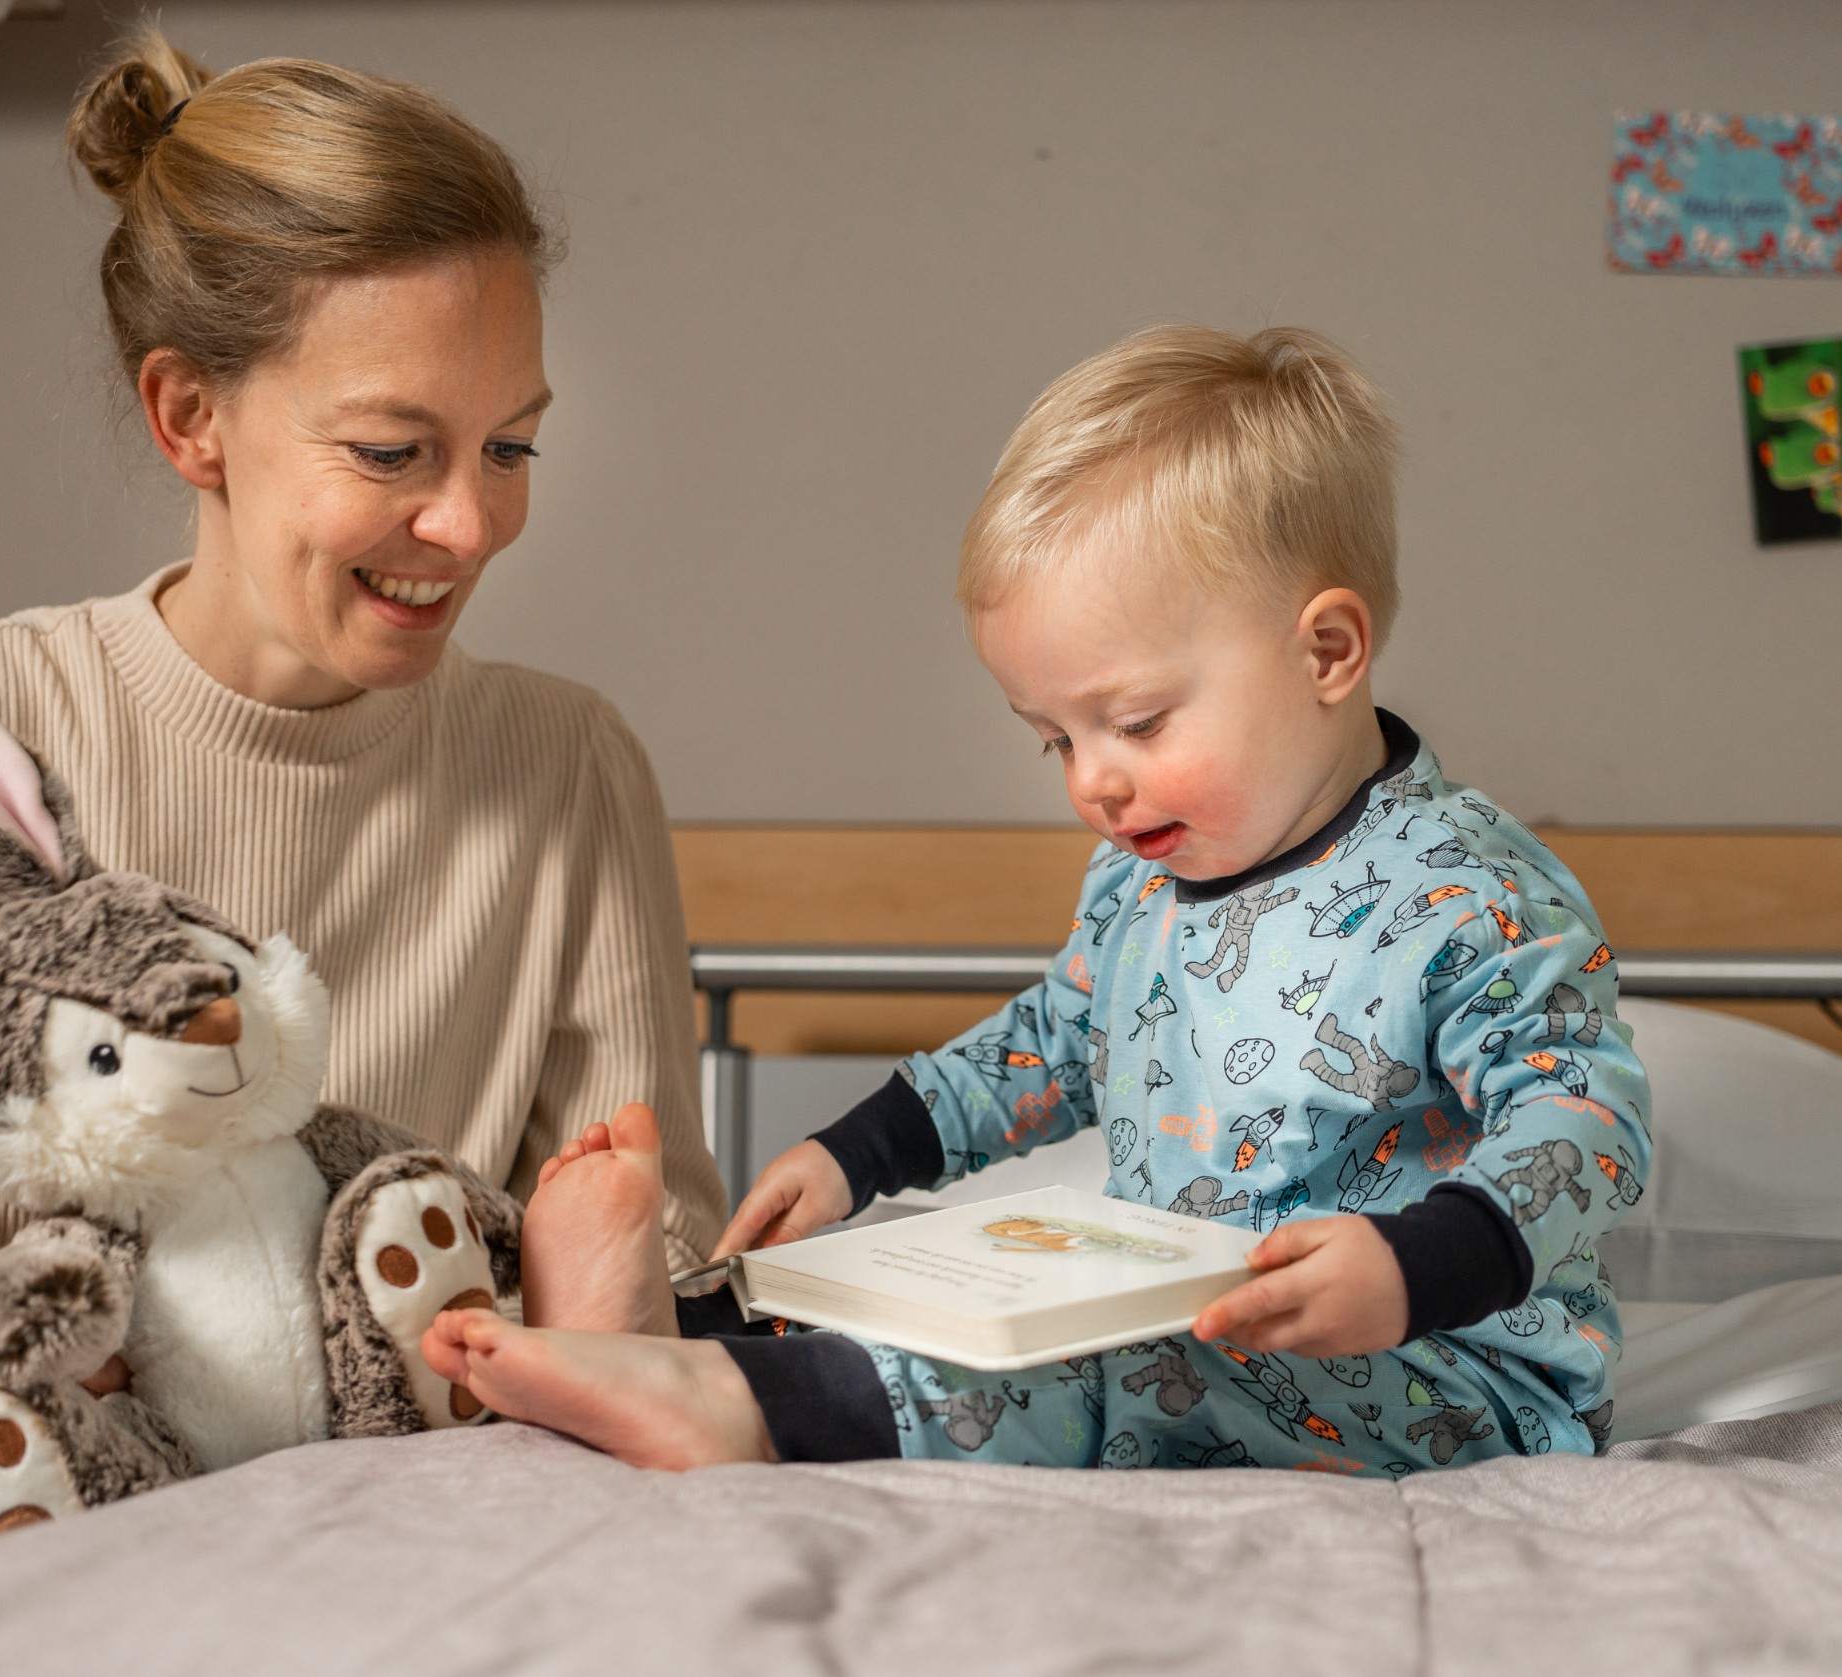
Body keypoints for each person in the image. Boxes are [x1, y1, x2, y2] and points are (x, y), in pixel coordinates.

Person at [0, 32, 725, 1655]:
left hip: (321, 1493)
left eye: (507, 445)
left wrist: (611, 1320)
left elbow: (628, 1251)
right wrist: (13, 1457)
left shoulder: (566, 766)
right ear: (191, 416)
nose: (470, 523)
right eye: (394, 451)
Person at [423, 325, 1653, 1475]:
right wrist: (858, 1154)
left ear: (1325, 652)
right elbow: (1052, 1040)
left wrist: (1413, 1264)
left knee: (1113, 1367)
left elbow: (1585, 1126)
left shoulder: (1467, 894)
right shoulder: (1144, 878)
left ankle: (725, 1410)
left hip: (1442, 1372)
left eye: (1132, 722)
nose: (1092, 782)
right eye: (1051, 741)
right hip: (1188, 1310)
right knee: (936, 1296)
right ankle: (673, 1329)